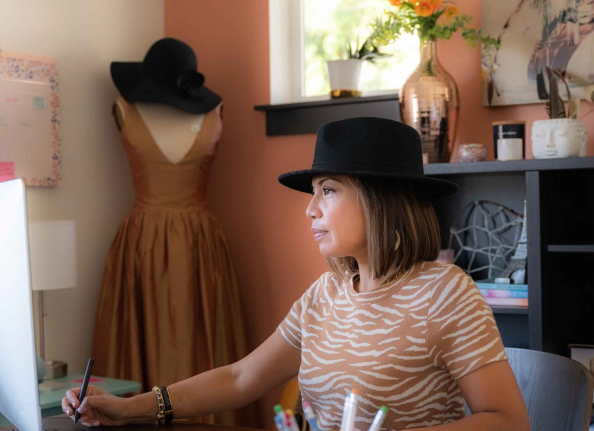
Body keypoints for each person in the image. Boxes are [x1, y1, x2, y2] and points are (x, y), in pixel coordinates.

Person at [62, 117, 530, 431]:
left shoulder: (445, 292)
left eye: (328, 191)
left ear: (380, 198)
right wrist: (130, 408)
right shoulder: (325, 293)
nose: (310, 209)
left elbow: (508, 419)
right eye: (313, 193)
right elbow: (241, 378)